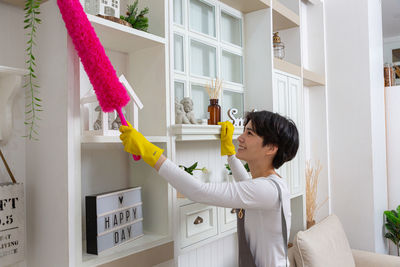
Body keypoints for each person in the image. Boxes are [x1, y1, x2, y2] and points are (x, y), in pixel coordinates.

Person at [119, 110, 299, 267]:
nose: (240, 137)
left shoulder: (265, 190)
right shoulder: (272, 184)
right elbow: (245, 183)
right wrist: (230, 154)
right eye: (244, 130)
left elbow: (199, 191)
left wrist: (149, 152)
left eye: (250, 133)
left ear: (270, 148)